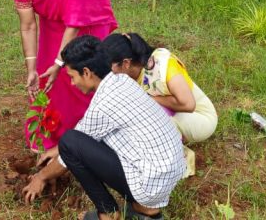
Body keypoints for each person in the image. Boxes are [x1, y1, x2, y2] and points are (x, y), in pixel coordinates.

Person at [23, 35, 185, 220]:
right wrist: (55, 150)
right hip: (168, 172)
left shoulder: (104, 103)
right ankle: (144, 211)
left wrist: (41, 177)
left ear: (86, 72)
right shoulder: (121, 80)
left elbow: (73, 147)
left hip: (151, 184)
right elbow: (86, 131)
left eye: (72, 77)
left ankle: (108, 213)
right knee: (75, 142)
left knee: (69, 142)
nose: (72, 83)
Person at [12, 0, 117, 150]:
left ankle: (87, 137)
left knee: (81, 76)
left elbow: (74, 25)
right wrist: (31, 69)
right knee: (47, 77)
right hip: (54, 23)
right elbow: (28, 26)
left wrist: (59, 63)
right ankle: (48, 137)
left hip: (86, 23)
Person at [101, 32, 218, 177]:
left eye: (109, 67)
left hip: (201, 119)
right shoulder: (128, 75)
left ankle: (180, 162)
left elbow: (189, 104)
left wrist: (150, 99)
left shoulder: (163, 66)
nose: (106, 72)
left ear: (126, 63)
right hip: (179, 115)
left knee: (150, 113)